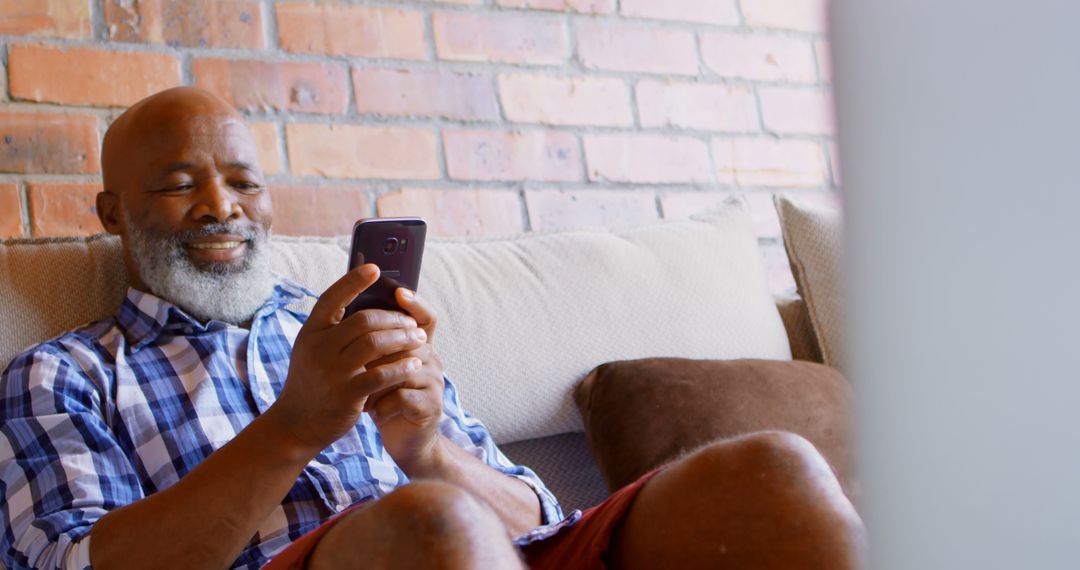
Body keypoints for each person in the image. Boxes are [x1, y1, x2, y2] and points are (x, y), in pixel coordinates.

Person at [0, 87, 865, 570]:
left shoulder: (346, 323)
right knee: (433, 527)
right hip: (378, 554)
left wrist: (427, 450)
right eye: (179, 184)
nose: (222, 206)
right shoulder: (64, 373)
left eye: (243, 181)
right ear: (114, 210)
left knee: (772, 469)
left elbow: (539, 514)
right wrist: (294, 428)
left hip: (488, 553)